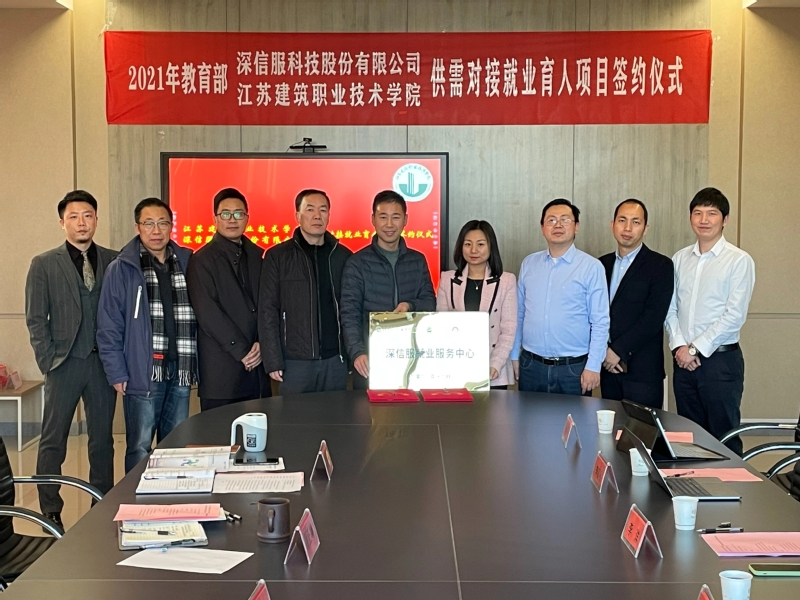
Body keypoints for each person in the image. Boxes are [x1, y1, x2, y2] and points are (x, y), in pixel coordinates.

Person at [24, 190, 117, 527]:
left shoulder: (114, 260)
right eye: (74, 217)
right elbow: (36, 319)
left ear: (96, 220)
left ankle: (101, 502)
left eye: (88, 215)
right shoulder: (44, 264)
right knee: (54, 439)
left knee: (102, 440)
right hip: (63, 364)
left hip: (103, 365)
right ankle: (50, 508)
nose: (82, 222)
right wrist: (48, 361)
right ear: (62, 222)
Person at [97, 198, 197, 473]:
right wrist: (116, 371)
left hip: (180, 367)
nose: (156, 230)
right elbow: (109, 325)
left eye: (162, 223)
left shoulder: (187, 261)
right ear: (137, 227)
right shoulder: (122, 268)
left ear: (171, 226)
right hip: (142, 370)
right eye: (149, 223)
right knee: (140, 446)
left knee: (175, 444)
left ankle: (171, 494)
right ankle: (135, 495)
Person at [665, 187, 755, 455]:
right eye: (698, 213)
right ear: (690, 217)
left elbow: (734, 315)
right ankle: (693, 483)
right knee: (689, 440)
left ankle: (731, 483)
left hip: (720, 363)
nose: (704, 219)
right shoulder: (680, 258)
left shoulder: (738, 260)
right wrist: (680, 347)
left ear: (725, 219)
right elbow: (670, 309)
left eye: (712, 213)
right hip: (683, 362)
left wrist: (694, 349)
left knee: (723, 438)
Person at [510, 199, 609, 396]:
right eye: (551, 220)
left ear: (576, 226)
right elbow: (519, 313)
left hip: (573, 369)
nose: (558, 225)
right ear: (542, 228)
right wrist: (514, 355)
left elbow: (600, 321)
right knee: (529, 417)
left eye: (565, 220)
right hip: (531, 365)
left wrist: (594, 365)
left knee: (574, 418)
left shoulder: (591, 267)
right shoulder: (529, 264)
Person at [259, 189, 353, 394]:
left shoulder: (343, 256)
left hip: (335, 361)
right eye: (310, 209)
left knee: (336, 414)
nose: (317, 216)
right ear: (297, 215)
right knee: (294, 415)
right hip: (294, 363)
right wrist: (273, 359)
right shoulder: (278, 256)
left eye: (323, 210)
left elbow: (351, 308)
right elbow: (267, 310)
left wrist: (351, 355)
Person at [340, 190, 436, 388]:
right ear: (373, 219)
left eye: (396, 217)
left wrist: (409, 305)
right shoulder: (357, 263)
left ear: (405, 220)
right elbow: (349, 313)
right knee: (367, 408)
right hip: (371, 360)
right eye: (383, 217)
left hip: (412, 357)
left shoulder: (417, 260)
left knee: (411, 408)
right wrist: (357, 352)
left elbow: (430, 302)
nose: (389, 224)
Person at [186, 188, 270, 410]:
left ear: (247, 218)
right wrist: (242, 351)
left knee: (260, 428)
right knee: (219, 429)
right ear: (215, 219)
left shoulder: (259, 257)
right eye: (225, 214)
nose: (232, 220)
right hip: (221, 370)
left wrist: (263, 342)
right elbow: (208, 313)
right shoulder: (201, 260)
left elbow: (268, 305)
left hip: (258, 366)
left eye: (238, 214)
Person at [599, 199, 674, 408]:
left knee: (642, 428)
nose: (627, 228)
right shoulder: (600, 265)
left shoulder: (660, 265)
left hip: (643, 372)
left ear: (645, 228)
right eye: (622, 220)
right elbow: (593, 314)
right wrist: (604, 351)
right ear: (612, 224)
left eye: (636, 222)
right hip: (607, 368)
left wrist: (618, 351)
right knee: (609, 427)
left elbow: (653, 317)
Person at [436, 220, 517, 389]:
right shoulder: (447, 279)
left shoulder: (506, 281)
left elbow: (508, 329)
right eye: (468, 244)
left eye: (480, 244)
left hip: (493, 372)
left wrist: (495, 364)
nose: (473, 250)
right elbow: (441, 326)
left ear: (491, 247)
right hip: (455, 370)